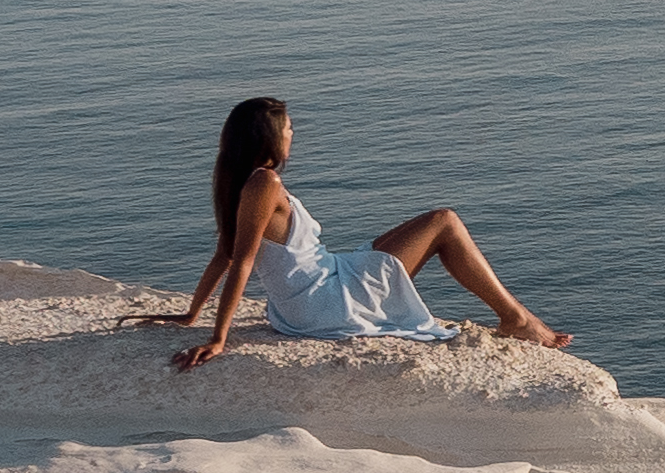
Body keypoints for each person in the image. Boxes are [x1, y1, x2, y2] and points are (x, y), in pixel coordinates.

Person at [162, 96, 569, 368]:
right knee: (444, 220)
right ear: (268, 136)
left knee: (395, 243)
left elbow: (224, 254)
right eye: (288, 129)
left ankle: (516, 318)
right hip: (326, 301)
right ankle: (516, 319)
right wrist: (218, 338)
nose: (293, 135)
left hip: (305, 300)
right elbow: (242, 261)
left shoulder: (235, 180)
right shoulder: (264, 184)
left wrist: (192, 313)